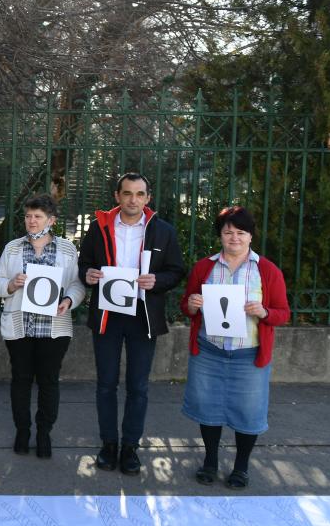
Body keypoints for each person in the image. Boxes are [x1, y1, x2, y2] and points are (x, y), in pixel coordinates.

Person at [78, 172, 186, 474]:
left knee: (138, 387)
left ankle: (130, 448)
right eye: (127, 194)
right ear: (117, 196)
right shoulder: (99, 228)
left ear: (148, 198)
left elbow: (177, 270)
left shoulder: (163, 231)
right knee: (105, 385)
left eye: (139, 194)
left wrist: (157, 281)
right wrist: (87, 275)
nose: (133, 200)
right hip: (108, 316)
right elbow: (83, 263)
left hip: (143, 317)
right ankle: (108, 445)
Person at [179, 206, 290, 490]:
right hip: (209, 351)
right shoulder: (205, 267)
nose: (234, 238)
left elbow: (283, 313)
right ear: (220, 235)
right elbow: (186, 304)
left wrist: (264, 312)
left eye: (241, 232)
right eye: (228, 232)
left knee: (248, 413)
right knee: (208, 408)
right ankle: (211, 461)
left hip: (248, 355)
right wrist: (191, 305)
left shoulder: (267, 270)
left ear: (250, 236)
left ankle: (241, 467)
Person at [0, 194, 85, 458]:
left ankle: (44, 433)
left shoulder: (66, 249)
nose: (31, 221)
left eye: (38, 216)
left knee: (48, 381)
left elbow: (78, 285)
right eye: (28, 216)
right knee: (20, 380)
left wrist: (68, 300)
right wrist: (11, 285)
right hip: (20, 326)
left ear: (51, 220)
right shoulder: (12, 248)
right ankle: (22, 430)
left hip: (54, 328)